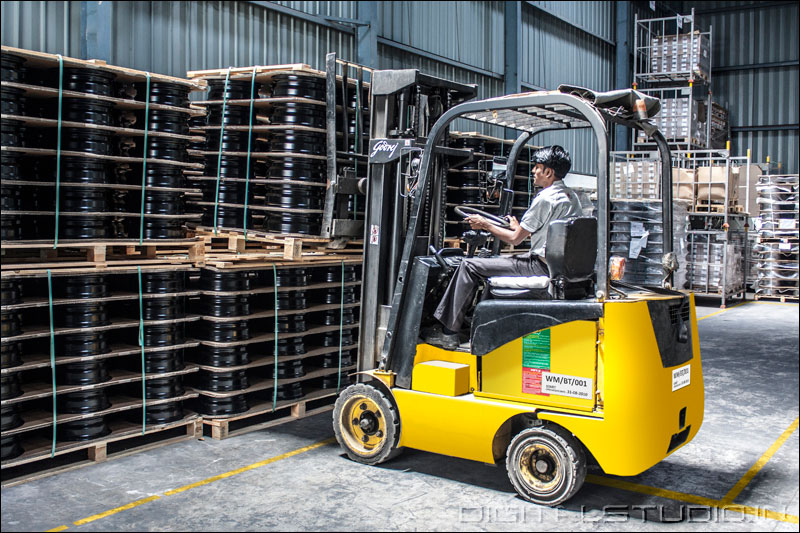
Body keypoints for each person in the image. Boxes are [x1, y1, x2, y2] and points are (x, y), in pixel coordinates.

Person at [423, 145, 584, 349]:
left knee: (469, 266)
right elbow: (546, 232)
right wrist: (517, 227)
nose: (533, 171)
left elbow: (515, 240)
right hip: (558, 266)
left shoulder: (545, 198)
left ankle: (448, 333)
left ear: (549, 172)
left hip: (540, 266)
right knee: (491, 262)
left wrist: (485, 224)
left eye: (537, 167)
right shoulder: (571, 197)